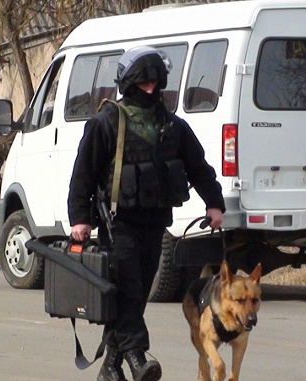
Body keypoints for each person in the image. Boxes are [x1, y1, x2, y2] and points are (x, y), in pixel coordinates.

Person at [67, 46, 225, 381]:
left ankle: (111, 366)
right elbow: (83, 173)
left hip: (155, 225)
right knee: (129, 290)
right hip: (118, 225)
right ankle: (138, 359)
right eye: (143, 83)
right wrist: (79, 218)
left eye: (155, 82)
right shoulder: (107, 122)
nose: (150, 89)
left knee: (132, 298)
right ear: (128, 83)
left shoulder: (172, 126)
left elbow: (198, 167)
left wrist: (214, 203)